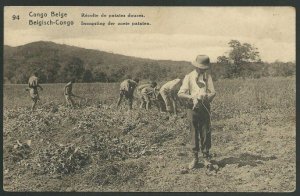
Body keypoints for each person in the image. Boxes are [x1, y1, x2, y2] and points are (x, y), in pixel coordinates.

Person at [177, 55, 216, 170]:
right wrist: (192, 97)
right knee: (194, 132)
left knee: (205, 131)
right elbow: (180, 93)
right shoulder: (188, 77)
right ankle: (195, 158)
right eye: (201, 68)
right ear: (196, 67)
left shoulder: (207, 77)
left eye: (204, 68)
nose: (203, 70)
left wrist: (207, 97)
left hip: (204, 107)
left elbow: (213, 92)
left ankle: (206, 157)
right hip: (192, 108)